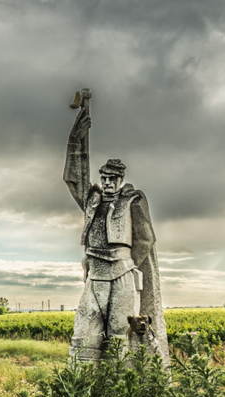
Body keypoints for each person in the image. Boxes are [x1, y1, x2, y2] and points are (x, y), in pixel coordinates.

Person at [63, 96, 168, 363]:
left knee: (121, 332)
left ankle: (119, 388)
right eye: (104, 178)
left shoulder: (132, 199)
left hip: (122, 270)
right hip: (96, 273)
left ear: (120, 180)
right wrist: (77, 139)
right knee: (86, 330)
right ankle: (84, 387)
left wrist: (129, 263)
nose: (107, 183)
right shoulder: (92, 200)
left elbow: (145, 238)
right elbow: (75, 178)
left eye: (112, 179)